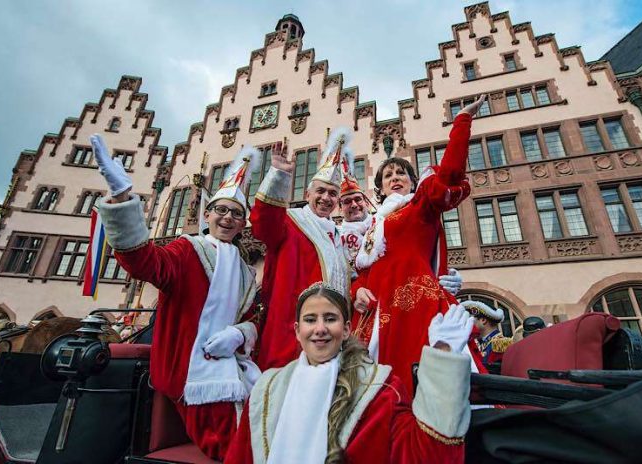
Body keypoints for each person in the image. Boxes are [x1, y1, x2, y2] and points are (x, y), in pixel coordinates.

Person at [92, 134, 261, 460]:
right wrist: (123, 197)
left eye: (236, 214)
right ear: (207, 215)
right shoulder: (187, 250)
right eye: (221, 210)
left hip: (233, 364)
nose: (227, 218)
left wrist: (239, 333)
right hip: (190, 373)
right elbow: (146, 264)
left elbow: (253, 315)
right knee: (237, 442)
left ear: (243, 224)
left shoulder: (244, 270)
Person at [225, 282, 473, 464]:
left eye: (330, 319)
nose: (320, 329)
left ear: (345, 329)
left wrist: (444, 358)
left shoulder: (380, 388)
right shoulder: (267, 388)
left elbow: (425, 456)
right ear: (298, 331)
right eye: (311, 320)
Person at [351, 95, 486, 391]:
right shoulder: (376, 224)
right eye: (388, 175)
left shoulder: (421, 206)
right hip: (374, 315)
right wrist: (357, 290)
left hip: (414, 309)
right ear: (380, 189)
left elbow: (450, 174)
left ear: (414, 182)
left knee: (420, 385)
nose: (395, 177)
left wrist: (461, 122)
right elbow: (364, 273)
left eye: (401, 173)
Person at [251, 131, 351, 370]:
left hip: (329, 336)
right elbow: (263, 224)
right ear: (307, 194)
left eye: (332, 193)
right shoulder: (291, 222)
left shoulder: (338, 236)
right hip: (290, 335)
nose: (326, 198)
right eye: (320, 191)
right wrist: (279, 176)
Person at [338, 170, 464, 294]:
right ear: (340, 208)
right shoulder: (337, 237)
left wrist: (445, 273)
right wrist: (356, 291)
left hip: (413, 290)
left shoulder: (384, 221)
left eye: (358, 199)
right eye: (347, 202)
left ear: (366, 202)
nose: (354, 205)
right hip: (369, 302)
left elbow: (425, 247)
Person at [461, 300, 511, 368]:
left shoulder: (501, 344)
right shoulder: (478, 343)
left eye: (471, 319)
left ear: (483, 320)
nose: (468, 323)